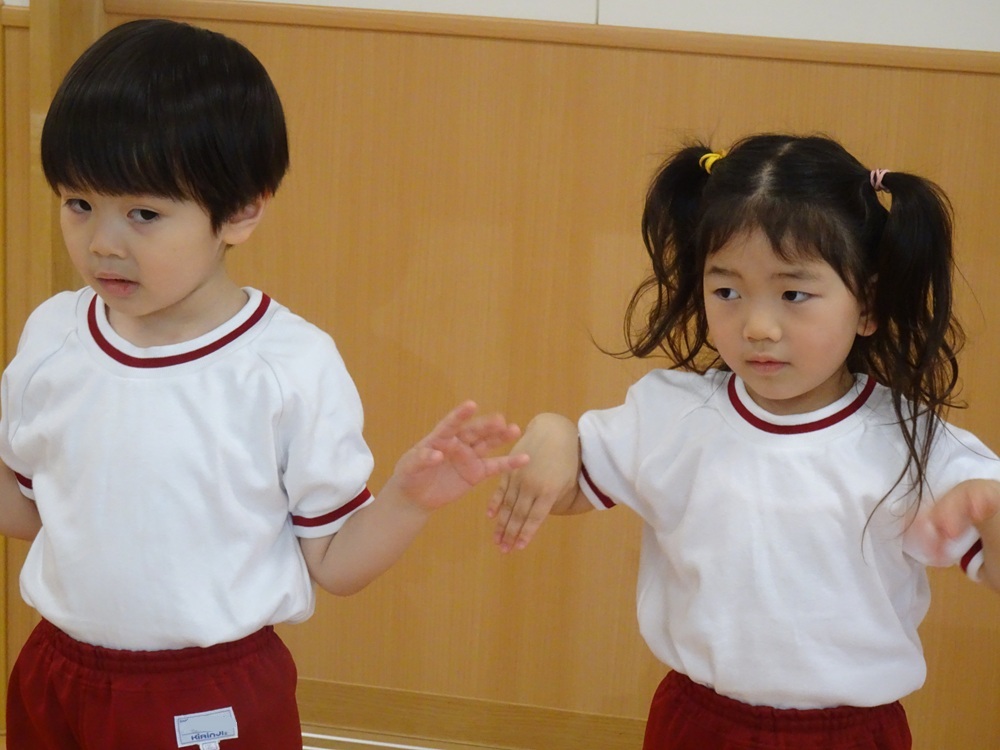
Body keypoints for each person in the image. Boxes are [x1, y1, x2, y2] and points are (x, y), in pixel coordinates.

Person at [0, 18, 527, 750]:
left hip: (208, 693)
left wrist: (407, 500)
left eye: (144, 214)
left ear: (242, 211)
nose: (101, 242)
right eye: (77, 203)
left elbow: (335, 565)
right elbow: (30, 512)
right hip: (55, 672)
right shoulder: (55, 334)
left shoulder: (287, 367)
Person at [489, 133, 1000, 749]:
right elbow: (572, 484)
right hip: (697, 723)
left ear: (867, 305)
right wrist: (553, 433)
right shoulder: (672, 412)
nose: (757, 326)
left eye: (794, 294)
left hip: (850, 735)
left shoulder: (913, 442)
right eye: (727, 291)